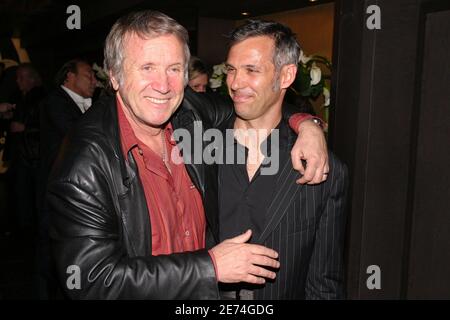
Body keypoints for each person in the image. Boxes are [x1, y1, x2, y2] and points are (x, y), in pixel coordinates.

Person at [46, 10, 328, 299]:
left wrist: (306, 124)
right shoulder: (82, 167)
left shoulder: (187, 111)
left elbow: (254, 105)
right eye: (147, 68)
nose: (163, 85)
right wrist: (210, 267)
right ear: (115, 76)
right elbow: (91, 282)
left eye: (173, 69)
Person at [217, 20, 348, 300]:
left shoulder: (325, 169)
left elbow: (323, 281)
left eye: (251, 70)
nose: (235, 83)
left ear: (286, 76)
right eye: (231, 70)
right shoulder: (195, 151)